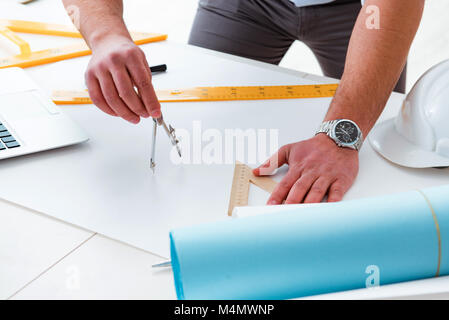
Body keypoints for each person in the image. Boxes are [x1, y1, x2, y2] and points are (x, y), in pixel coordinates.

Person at [62, 0, 424, 204]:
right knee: (198, 145)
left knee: (380, 157)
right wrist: (106, 35)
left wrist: (340, 134)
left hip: (362, 9)